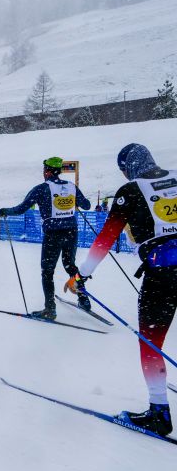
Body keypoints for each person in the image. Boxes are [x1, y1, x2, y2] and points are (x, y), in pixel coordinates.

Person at [65, 144, 177, 436]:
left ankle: (159, 412)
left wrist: (80, 276)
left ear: (127, 168)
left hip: (163, 276)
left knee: (151, 344)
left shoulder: (130, 191)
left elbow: (105, 239)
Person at [0, 157, 92, 319]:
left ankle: (50, 309)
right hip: (71, 231)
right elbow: (87, 205)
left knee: (47, 271)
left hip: (53, 234)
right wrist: (70, 199)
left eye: (44, 170)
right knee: (70, 265)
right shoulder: (71, 186)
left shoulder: (41, 189)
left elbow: (21, 209)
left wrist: (5, 211)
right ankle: (83, 299)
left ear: (48, 171)